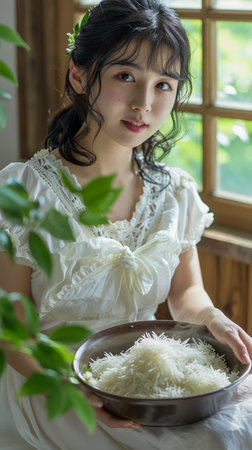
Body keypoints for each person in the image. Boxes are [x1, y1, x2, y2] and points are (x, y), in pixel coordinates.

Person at [0, 0, 252, 449]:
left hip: (148, 379)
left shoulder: (175, 192)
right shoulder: (22, 191)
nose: (144, 103)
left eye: (164, 85)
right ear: (79, 74)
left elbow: (185, 295)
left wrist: (213, 318)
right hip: (52, 381)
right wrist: (71, 386)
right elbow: (12, 330)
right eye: (125, 76)